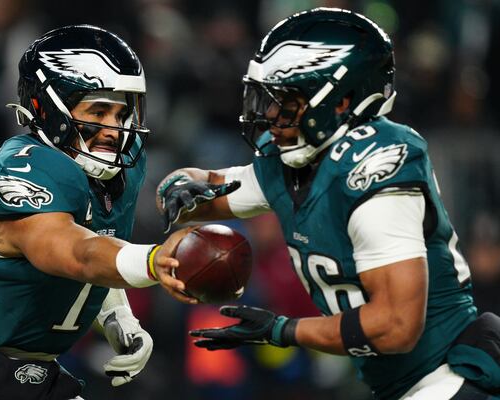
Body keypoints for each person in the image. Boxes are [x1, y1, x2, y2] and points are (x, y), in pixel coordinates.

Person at [156, 8, 500, 400]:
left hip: (446, 377)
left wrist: (281, 330)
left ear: (342, 100)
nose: (269, 116)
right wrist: (174, 186)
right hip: (404, 386)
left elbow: (396, 325)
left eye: (285, 102)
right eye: (268, 100)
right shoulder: (292, 162)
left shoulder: (374, 166)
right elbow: (207, 190)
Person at [0, 24, 195, 400]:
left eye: (122, 114)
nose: (113, 130)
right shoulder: (27, 165)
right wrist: (153, 261)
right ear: (47, 107)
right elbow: (71, 251)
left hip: (27, 375)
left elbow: (97, 243)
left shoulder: (121, 170)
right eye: (98, 111)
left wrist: (117, 316)